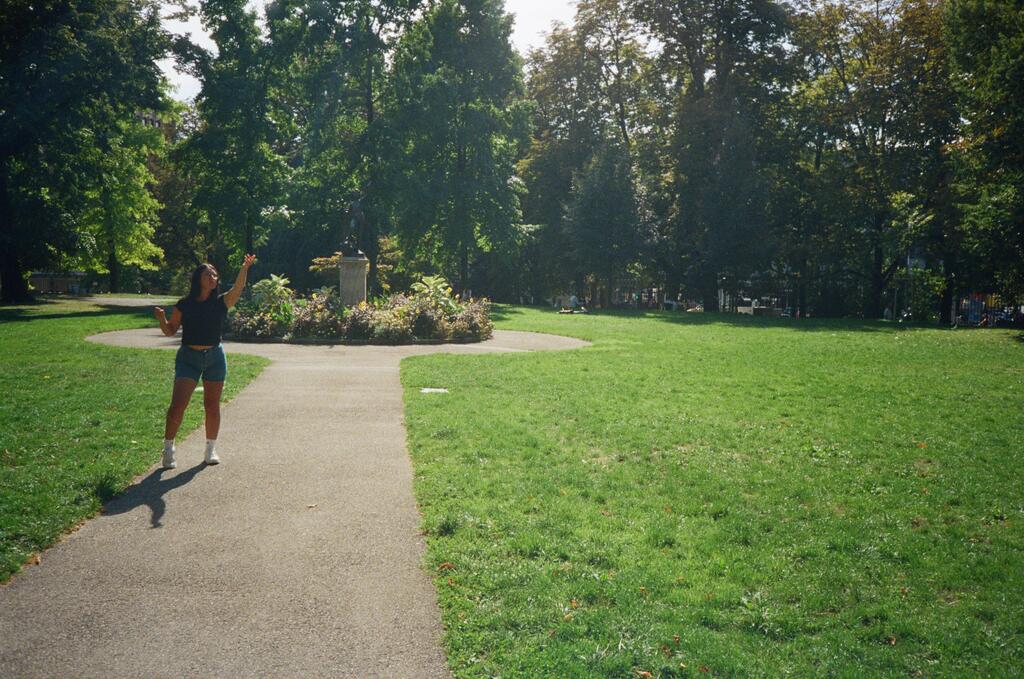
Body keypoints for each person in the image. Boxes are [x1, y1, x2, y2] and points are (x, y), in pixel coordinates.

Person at [153, 255, 256, 468]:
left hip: (215, 357)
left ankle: (210, 449)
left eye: (215, 275)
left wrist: (244, 267)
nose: (212, 277)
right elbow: (170, 330)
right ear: (198, 278)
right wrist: (162, 319)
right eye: (208, 274)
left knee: (212, 406)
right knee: (177, 406)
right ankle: (168, 447)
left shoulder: (221, 302)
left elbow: (238, 288)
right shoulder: (184, 304)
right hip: (188, 358)